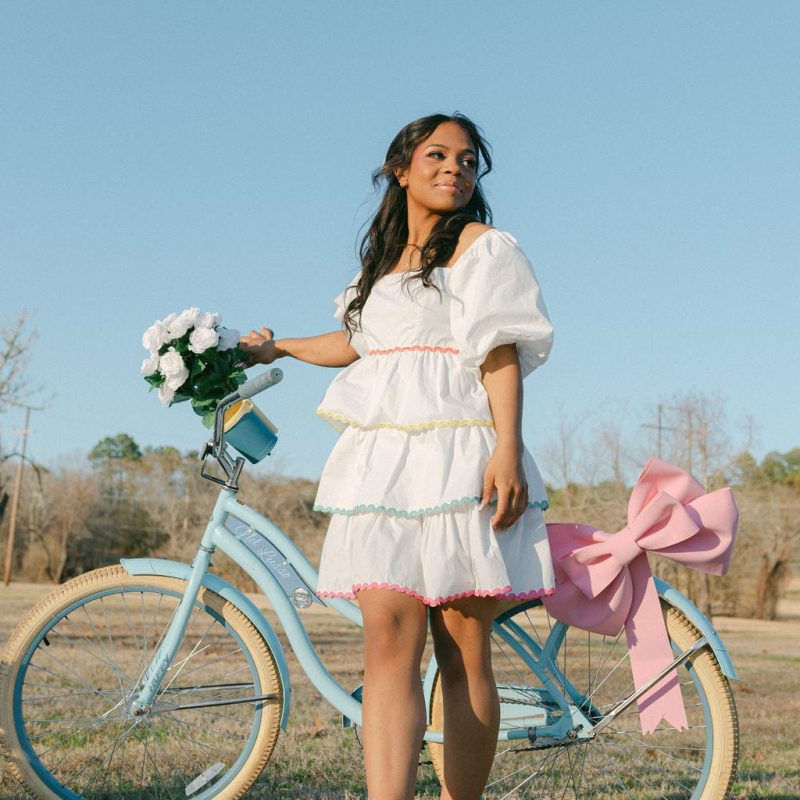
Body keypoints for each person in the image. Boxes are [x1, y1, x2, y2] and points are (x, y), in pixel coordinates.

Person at [239, 112, 555, 800]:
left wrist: (507, 447)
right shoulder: (380, 267)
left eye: (468, 161)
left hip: (461, 456)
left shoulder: (482, 247)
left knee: (461, 646)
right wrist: (280, 346)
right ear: (399, 169)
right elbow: (356, 344)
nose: (455, 169)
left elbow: (499, 352)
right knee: (386, 643)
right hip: (384, 467)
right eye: (438, 155)